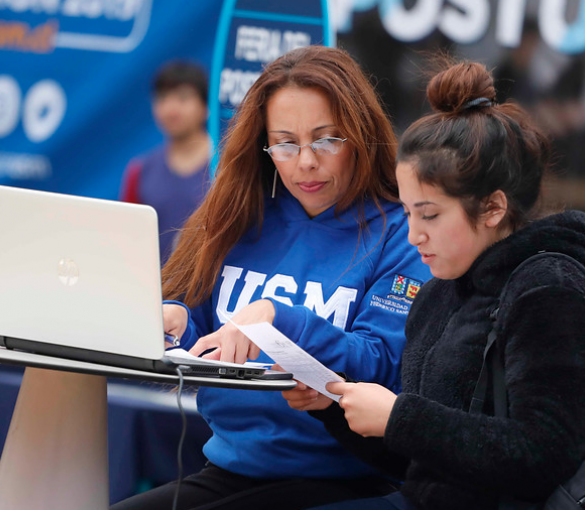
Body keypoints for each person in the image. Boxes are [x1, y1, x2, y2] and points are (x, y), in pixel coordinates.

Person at [283, 59, 585, 510]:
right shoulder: (439, 293)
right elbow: (422, 464)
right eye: (408, 213)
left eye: (429, 215)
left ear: (493, 208)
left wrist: (398, 417)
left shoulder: (554, 290)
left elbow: (544, 455)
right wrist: (336, 408)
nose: (413, 234)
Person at [111, 46, 431, 510]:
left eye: (326, 140)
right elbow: (207, 324)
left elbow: (381, 362)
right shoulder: (243, 214)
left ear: (360, 135)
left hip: (344, 477)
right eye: (284, 143)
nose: (305, 161)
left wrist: (278, 320)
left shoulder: (400, 233)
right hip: (230, 468)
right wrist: (179, 318)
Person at [119, 60, 211, 263]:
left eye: (183, 98)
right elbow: (126, 238)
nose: (171, 109)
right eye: (163, 98)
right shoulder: (140, 171)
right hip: (153, 290)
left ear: (206, 107)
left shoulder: (228, 167)